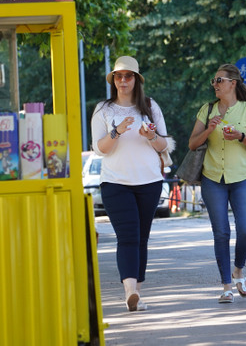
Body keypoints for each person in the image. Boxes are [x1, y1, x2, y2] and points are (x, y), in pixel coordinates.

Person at [91, 56, 169, 312]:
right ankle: (129, 292)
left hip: (149, 182)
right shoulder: (104, 109)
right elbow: (99, 149)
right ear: (113, 80)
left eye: (128, 76)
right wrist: (116, 132)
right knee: (128, 237)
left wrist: (152, 136)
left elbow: (164, 145)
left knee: (141, 238)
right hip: (115, 184)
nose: (123, 80)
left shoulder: (150, 106)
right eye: (118, 76)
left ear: (136, 80)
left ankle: (138, 294)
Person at [187, 64, 246, 303]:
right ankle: (226, 286)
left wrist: (240, 137)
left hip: (241, 178)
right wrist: (209, 129)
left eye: (219, 80)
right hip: (213, 179)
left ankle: (238, 269)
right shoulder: (206, 109)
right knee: (221, 233)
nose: (215, 84)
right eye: (214, 80)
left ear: (233, 83)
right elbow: (191, 144)